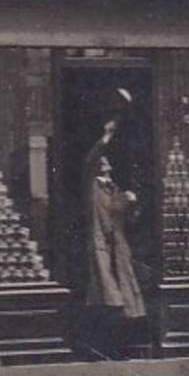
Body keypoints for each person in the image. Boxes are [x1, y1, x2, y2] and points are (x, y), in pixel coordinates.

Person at [82, 117, 149, 358]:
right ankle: (104, 347)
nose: (107, 167)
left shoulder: (115, 189)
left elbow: (127, 219)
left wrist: (131, 202)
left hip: (118, 248)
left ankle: (122, 346)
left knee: (124, 297)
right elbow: (90, 161)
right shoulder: (92, 186)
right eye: (104, 164)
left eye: (108, 165)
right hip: (101, 245)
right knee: (106, 295)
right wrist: (106, 138)